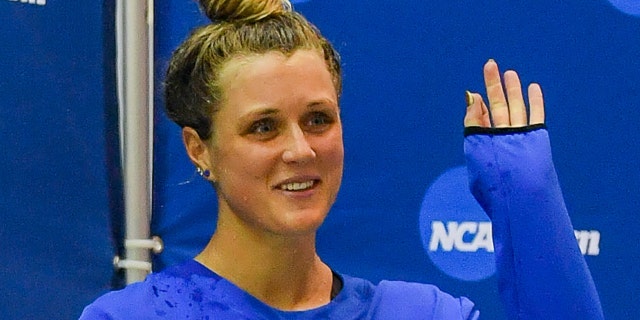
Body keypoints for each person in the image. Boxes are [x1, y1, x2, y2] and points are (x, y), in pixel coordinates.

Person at [81, 0, 604, 319]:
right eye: (263, 127)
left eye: (318, 119)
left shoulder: (422, 314)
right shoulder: (131, 317)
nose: (301, 149)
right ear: (200, 149)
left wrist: (528, 203)